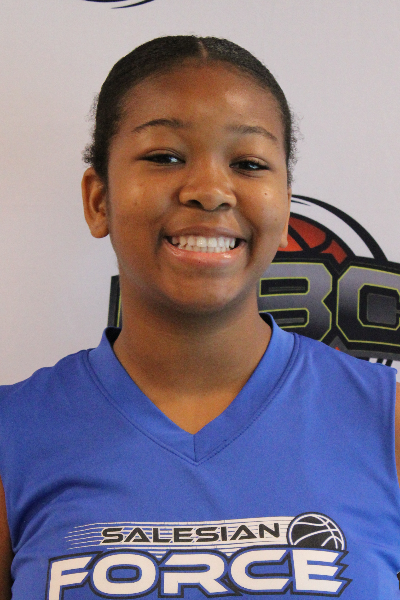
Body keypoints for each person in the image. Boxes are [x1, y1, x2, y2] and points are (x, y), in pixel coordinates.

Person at [0, 35, 399, 599]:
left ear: (286, 206)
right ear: (98, 200)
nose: (211, 191)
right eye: (165, 157)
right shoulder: (12, 432)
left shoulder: (388, 423)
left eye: (249, 163)